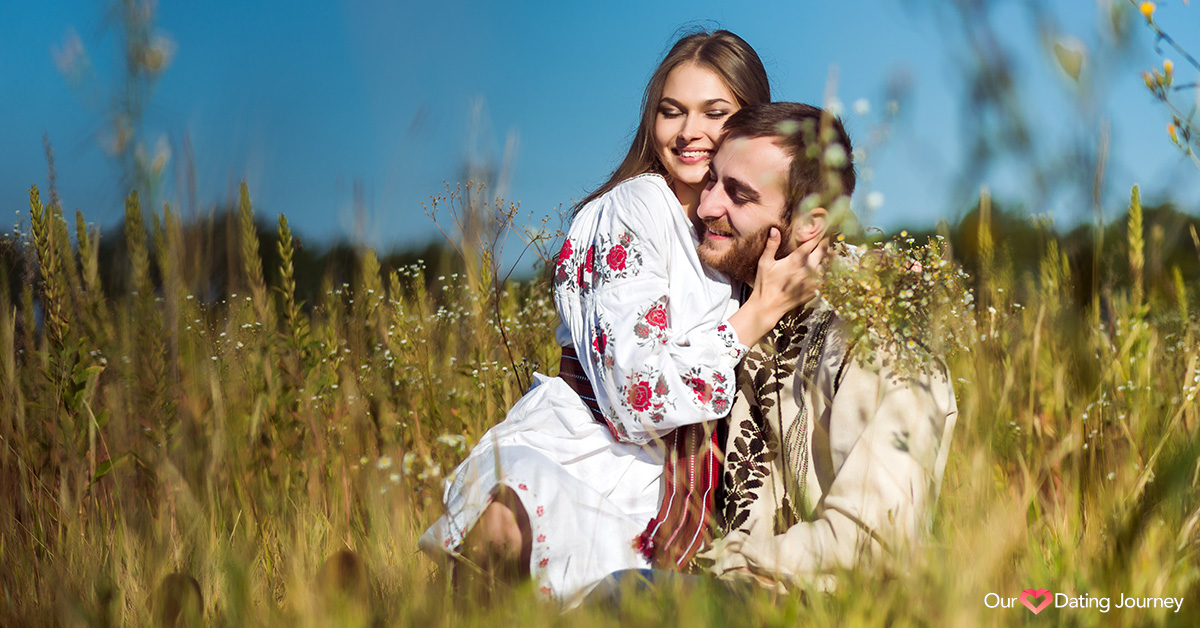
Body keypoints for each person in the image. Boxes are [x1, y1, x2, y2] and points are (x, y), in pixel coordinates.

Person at [418, 31, 823, 606]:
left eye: (716, 112)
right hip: (584, 454)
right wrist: (758, 313)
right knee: (511, 537)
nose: (688, 132)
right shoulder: (632, 209)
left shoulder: (732, 226)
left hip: (658, 485)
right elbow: (637, 393)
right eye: (671, 111)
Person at [684, 102, 958, 591]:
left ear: (810, 225)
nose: (707, 207)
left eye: (739, 195)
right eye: (710, 181)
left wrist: (718, 568)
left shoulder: (882, 336)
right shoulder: (721, 299)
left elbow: (871, 540)